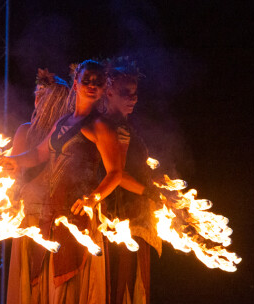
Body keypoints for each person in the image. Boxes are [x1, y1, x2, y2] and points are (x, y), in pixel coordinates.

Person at [0, 59, 123, 304]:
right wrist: (13, 161)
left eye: (97, 83)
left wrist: (94, 197)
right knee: (46, 285)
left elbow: (115, 173)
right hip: (51, 213)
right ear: (76, 83)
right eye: (86, 80)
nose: (91, 85)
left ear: (103, 89)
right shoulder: (62, 122)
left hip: (79, 212)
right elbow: (39, 154)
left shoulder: (101, 126)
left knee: (71, 287)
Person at [7, 69, 70, 304]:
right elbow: (14, 176)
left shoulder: (68, 135)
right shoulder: (25, 130)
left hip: (60, 217)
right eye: (37, 95)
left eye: (45, 96)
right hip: (31, 217)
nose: (38, 101)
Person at [103, 60, 162, 304]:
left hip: (138, 220)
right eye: (125, 93)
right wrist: (150, 193)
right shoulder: (106, 127)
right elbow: (115, 174)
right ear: (109, 92)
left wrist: (158, 185)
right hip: (121, 219)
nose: (132, 98)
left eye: (135, 93)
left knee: (136, 290)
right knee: (121, 290)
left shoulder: (127, 126)